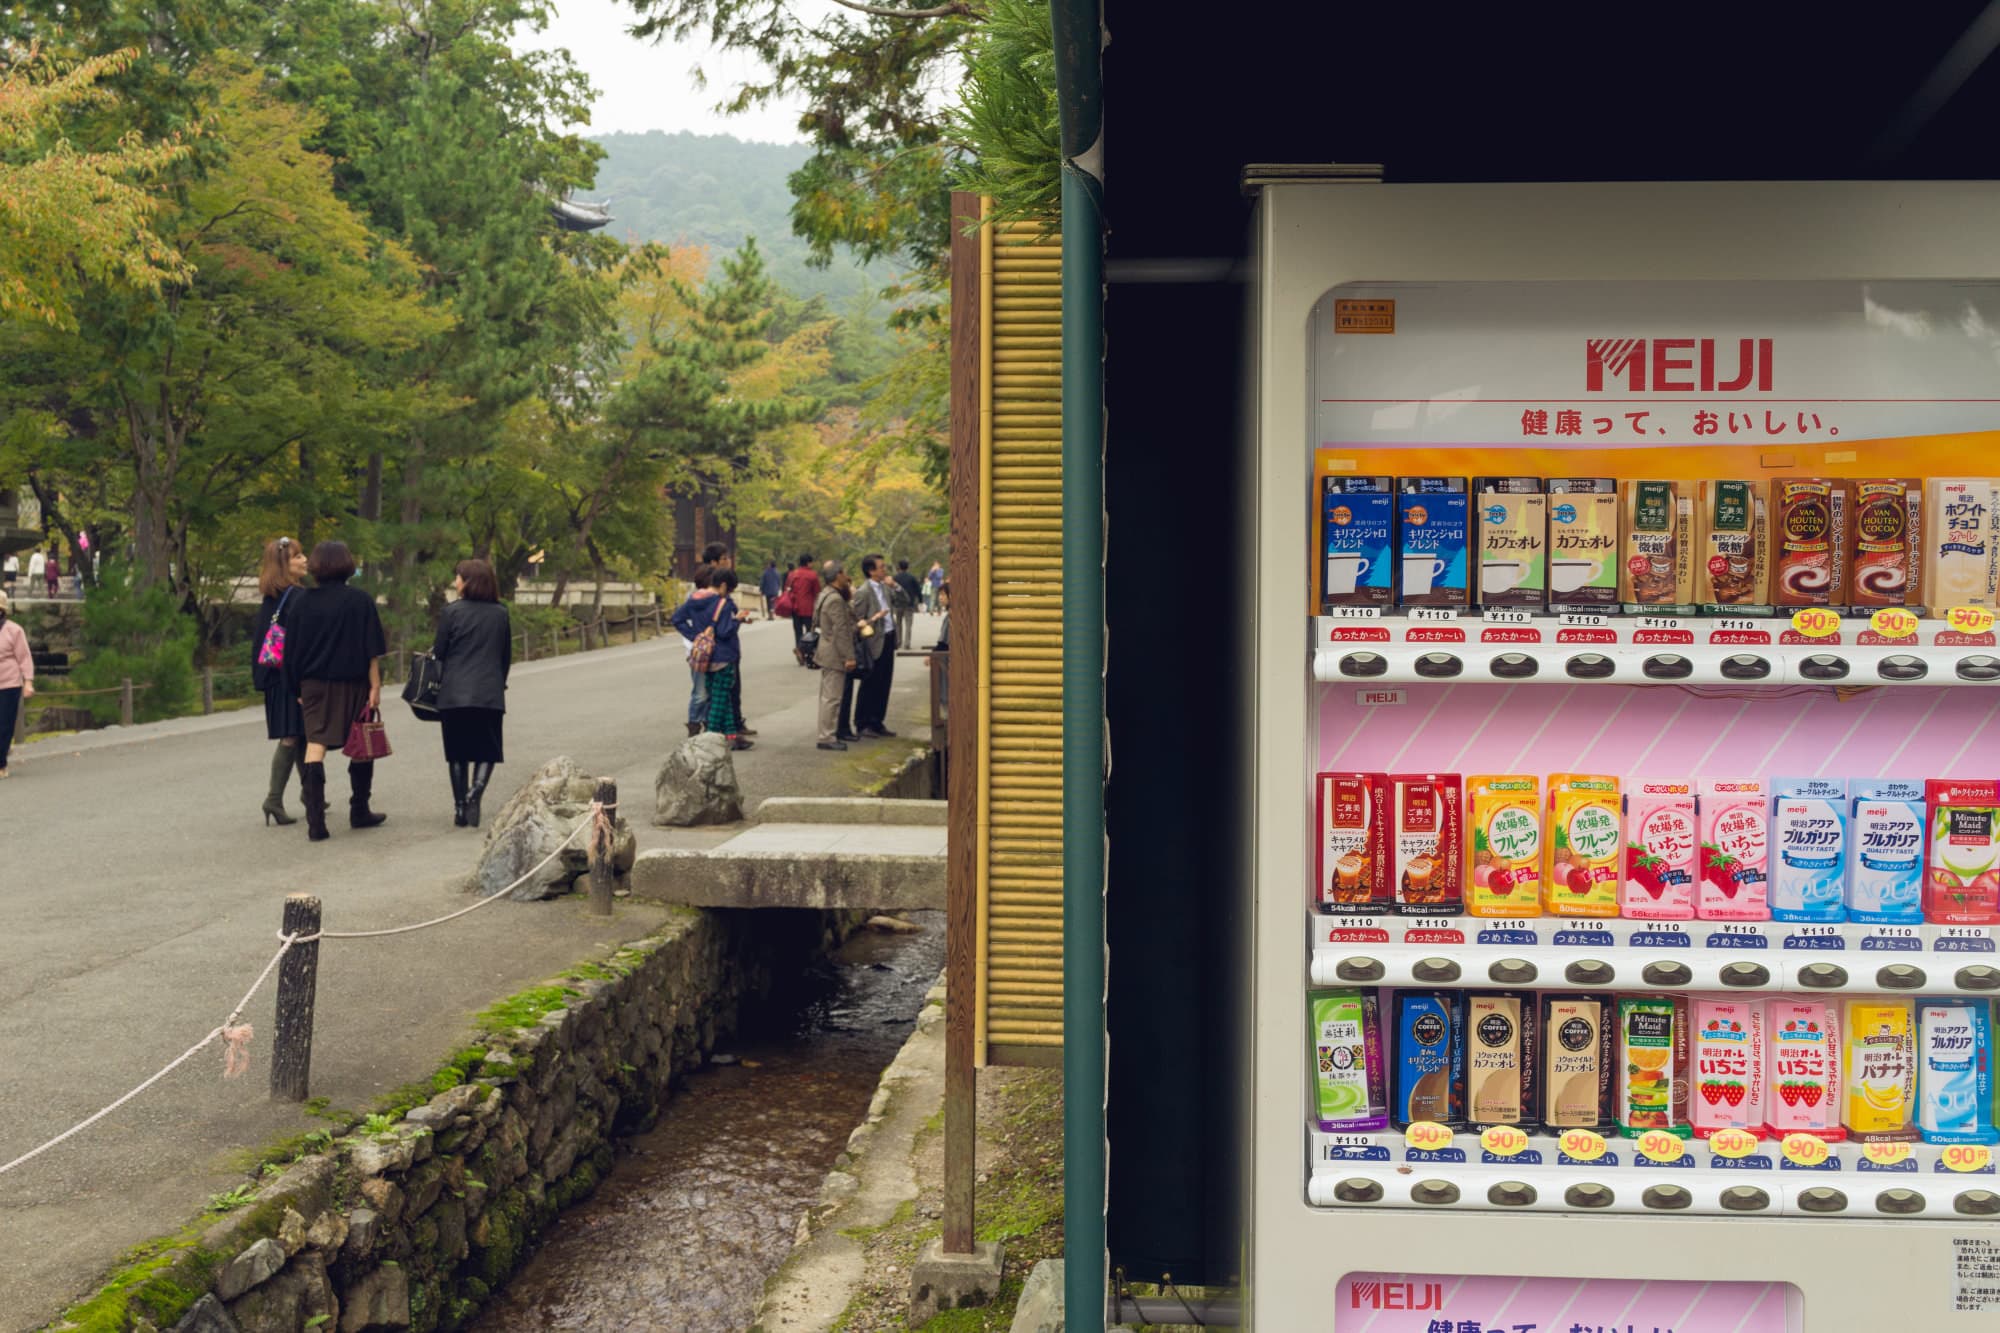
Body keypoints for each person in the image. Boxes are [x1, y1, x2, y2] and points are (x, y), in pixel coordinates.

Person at [286, 540, 389, 841]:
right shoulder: (360, 601)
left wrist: (297, 688)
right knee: (360, 744)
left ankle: (316, 823)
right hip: (354, 683)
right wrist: (375, 685)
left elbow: (291, 652)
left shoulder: (301, 602)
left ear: (316, 566)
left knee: (315, 746)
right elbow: (372, 649)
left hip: (313, 684)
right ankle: (359, 809)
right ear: (347, 565)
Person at [432, 557, 512, 828]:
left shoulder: (451, 612)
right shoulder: (500, 613)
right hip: (489, 692)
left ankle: (459, 809)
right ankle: (475, 792)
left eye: (458, 577)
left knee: (457, 754)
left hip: (454, 693)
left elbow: (439, 652)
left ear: (468, 582)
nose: (455, 581)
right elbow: (505, 656)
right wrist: (500, 683)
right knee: (487, 750)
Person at [252, 537, 309, 825]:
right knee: (292, 735)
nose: (305, 560)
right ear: (285, 564)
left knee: (299, 732)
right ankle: (273, 799)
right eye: (298, 557)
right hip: (289, 677)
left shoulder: (272, 596)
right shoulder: (297, 597)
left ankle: (311, 794)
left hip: (273, 674)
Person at [676, 568, 751, 749]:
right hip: (724, 656)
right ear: (724, 585)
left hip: (705, 658)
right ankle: (710, 740)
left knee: (721, 699)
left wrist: (696, 635)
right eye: (731, 589)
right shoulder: (722, 603)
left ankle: (731, 736)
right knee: (718, 701)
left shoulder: (694, 601)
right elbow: (725, 631)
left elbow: (677, 619)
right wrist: (737, 620)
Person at [812, 562, 859, 750]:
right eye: (844, 573)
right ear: (837, 575)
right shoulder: (835, 600)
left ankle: (826, 733)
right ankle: (826, 736)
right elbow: (841, 630)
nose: (846, 576)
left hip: (825, 648)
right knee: (832, 697)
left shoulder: (824, 595)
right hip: (833, 652)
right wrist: (849, 656)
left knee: (827, 696)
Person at [852, 554, 898, 738]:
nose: (884, 570)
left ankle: (878, 720)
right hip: (873, 642)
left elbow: (903, 601)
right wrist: (874, 619)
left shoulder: (885, 588)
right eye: (881, 567)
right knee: (870, 683)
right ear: (871, 571)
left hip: (888, 638)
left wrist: (896, 586)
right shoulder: (863, 592)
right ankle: (863, 722)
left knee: (884, 682)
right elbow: (857, 620)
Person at [677, 559, 717, 736]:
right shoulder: (694, 600)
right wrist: (694, 637)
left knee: (710, 690)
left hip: (715, 650)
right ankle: (694, 724)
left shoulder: (718, 599)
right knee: (700, 691)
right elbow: (678, 619)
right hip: (697, 651)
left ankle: (708, 723)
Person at [0, 591, 32, 778]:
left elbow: (24, 657)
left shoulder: (14, 630)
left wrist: (28, 681)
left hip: (9, 683)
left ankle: (1, 764)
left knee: (4, 724)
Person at [785, 554, 820, 666]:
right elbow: (817, 592)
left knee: (798, 630)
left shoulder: (792, 574)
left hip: (795, 607)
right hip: (808, 607)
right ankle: (805, 652)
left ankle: (799, 650)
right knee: (809, 631)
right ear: (808, 563)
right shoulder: (812, 575)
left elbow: (787, 588)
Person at [892, 559, 921, 646]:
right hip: (909, 603)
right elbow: (918, 589)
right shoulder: (912, 578)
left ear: (899, 567)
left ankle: (898, 641)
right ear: (907, 567)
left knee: (898, 623)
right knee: (908, 624)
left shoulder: (895, 578)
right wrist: (920, 600)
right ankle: (907, 643)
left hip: (898, 604)